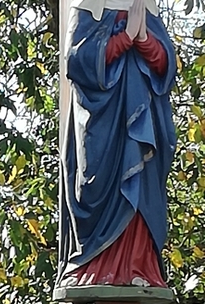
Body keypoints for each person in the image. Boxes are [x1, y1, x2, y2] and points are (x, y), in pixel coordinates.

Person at [57, 0, 177, 288]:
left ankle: (138, 266)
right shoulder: (87, 5)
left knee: (139, 186)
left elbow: (166, 66)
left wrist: (144, 39)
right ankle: (94, 266)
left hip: (141, 120)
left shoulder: (145, 6)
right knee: (95, 184)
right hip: (102, 121)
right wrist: (124, 39)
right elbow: (77, 61)